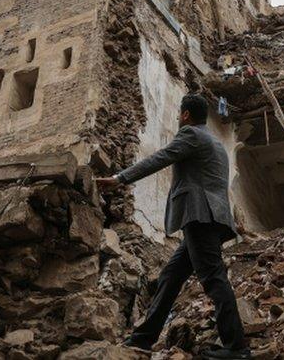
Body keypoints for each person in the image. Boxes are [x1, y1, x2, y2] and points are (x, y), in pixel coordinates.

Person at [95, 94, 251, 359]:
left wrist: (120, 178)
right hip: (211, 217)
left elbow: (160, 158)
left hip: (199, 215)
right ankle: (144, 338)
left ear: (186, 115)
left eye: (180, 113)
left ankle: (237, 347)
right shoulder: (214, 142)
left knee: (213, 278)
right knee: (171, 276)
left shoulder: (190, 134)